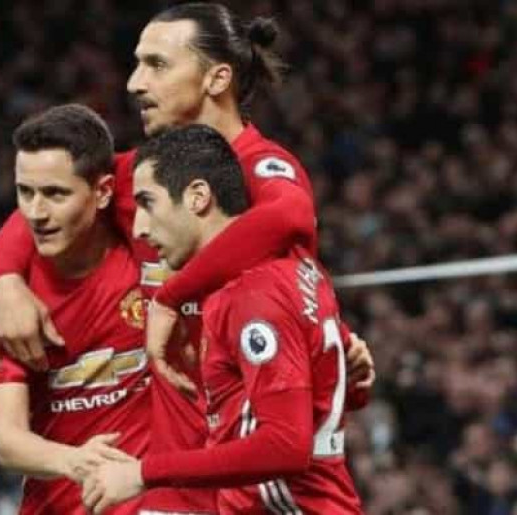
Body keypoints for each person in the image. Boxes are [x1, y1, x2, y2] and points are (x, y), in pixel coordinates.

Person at [0, 3, 374, 513]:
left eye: (157, 65)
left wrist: (172, 296)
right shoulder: (148, 175)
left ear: (217, 79)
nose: (134, 83)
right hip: (172, 482)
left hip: (251, 480)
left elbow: (291, 217)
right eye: (137, 64)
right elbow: (58, 193)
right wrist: (6, 281)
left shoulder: (262, 169)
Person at [83, 124, 364, 514]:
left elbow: (286, 444)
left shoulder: (252, 294)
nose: (139, 228)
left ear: (198, 197)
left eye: (148, 203)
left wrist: (143, 473)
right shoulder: (297, 269)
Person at [0, 104, 149, 514]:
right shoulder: (3, 305)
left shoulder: (146, 257)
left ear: (103, 192)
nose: (36, 213)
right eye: (25, 192)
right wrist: (74, 461)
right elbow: (8, 441)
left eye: (55, 194)